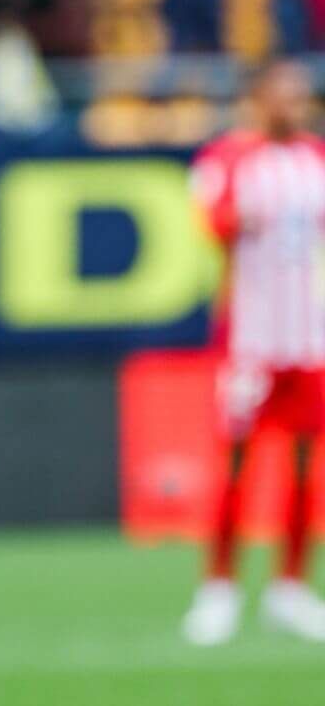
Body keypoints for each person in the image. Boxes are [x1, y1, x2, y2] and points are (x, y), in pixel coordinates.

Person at [182, 59, 325, 645]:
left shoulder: (316, 158)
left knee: (303, 464)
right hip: (251, 339)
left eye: (301, 95)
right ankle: (219, 587)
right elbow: (211, 222)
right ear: (258, 99)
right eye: (282, 95)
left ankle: (290, 586)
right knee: (236, 461)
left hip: (308, 337)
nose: (293, 105)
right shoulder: (228, 159)